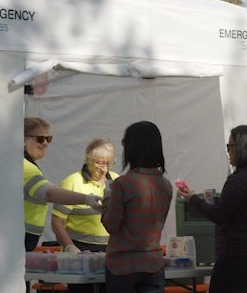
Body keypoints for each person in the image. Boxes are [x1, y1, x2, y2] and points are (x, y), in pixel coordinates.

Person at [176, 125, 247, 293]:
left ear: (242, 148)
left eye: (230, 146)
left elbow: (219, 215)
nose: (228, 151)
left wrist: (193, 199)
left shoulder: (239, 180)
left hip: (238, 257)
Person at [101, 121, 173, 293]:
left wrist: (106, 201)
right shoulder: (165, 184)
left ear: (132, 147)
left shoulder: (122, 184)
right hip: (153, 263)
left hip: (122, 265)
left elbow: (111, 225)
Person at [23, 117, 101, 252]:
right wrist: (87, 199)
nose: (46, 143)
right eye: (40, 139)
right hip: (19, 238)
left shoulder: (21, 164)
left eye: (49, 139)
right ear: (22, 140)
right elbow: (49, 193)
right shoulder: (26, 167)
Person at [51, 138, 119, 293]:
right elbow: (57, 221)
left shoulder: (116, 180)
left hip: (111, 250)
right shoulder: (72, 182)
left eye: (109, 163)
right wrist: (70, 248)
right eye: (99, 163)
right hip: (81, 250)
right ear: (88, 160)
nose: (104, 169)